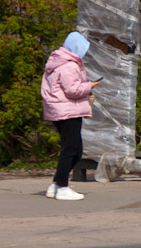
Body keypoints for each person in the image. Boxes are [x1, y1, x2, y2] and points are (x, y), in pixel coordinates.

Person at [41, 31, 101, 201]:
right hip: (68, 111)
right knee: (72, 150)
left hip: (59, 110)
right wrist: (90, 85)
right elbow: (73, 90)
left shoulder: (56, 62)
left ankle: (56, 184)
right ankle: (62, 186)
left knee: (73, 149)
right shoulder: (69, 65)